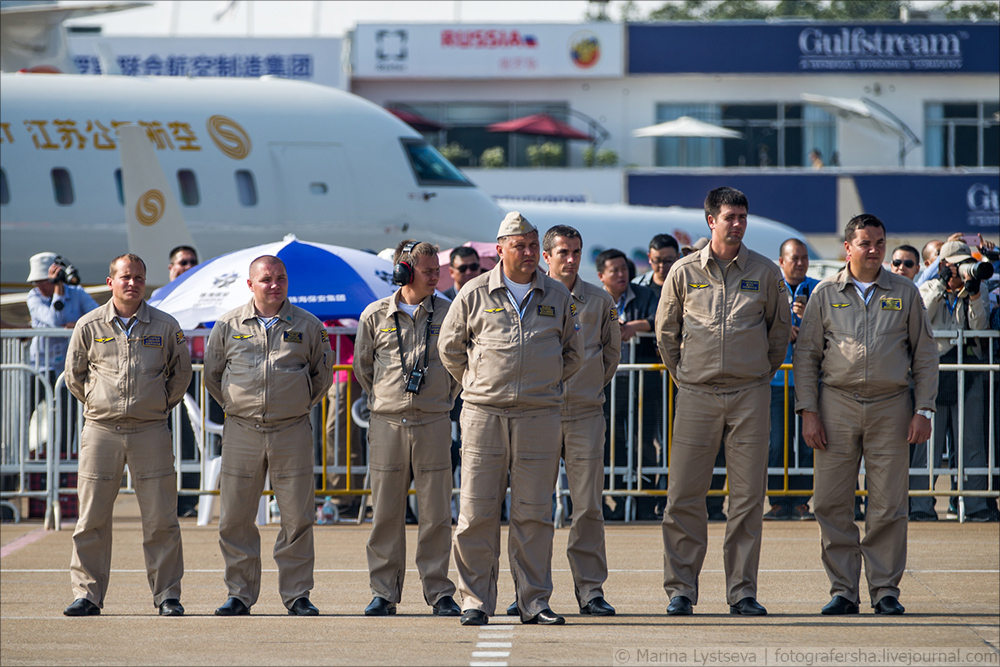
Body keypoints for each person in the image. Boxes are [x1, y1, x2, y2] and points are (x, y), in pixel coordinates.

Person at [438, 211, 582, 626]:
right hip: (484, 414)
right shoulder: (474, 292)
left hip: (539, 416)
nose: (529, 252)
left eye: (534, 245)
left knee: (534, 512)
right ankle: (474, 601)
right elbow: (450, 348)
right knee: (477, 512)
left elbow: (571, 353)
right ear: (499, 249)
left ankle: (533, 601)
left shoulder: (556, 294)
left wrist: (544, 384)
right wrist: (478, 381)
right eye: (520, 245)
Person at [655, 186, 790, 617]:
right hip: (697, 394)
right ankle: (681, 590)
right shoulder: (683, 271)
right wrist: (688, 376)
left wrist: (755, 375)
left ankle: (742, 591)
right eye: (730, 217)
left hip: (750, 395)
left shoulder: (766, 272)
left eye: (743, 216)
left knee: (749, 498)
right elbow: (666, 334)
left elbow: (778, 334)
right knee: (684, 497)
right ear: (711, 220)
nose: (738, 224)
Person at [795, 214, 938, 616]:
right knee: (829, 501)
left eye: (879, 242)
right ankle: (843, 589)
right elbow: (806, 357)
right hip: (835, 404)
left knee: (889, 504)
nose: (873, 249)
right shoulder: (825, 293)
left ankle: (884, 590)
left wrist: (923, 409)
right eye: (865, 242)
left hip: (892, 406)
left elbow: (925, 355)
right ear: (848, 248)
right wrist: (808, 411)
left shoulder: (906, 292)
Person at [62, 253, 192, 616]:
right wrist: (99, 402)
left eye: (138, 277)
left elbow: (181, 374)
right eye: (124, 277)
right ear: (110, 282)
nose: (131, 283)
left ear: (145, 282)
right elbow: (74, 375)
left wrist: (157, 405)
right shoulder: (89, 326)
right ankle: (87, 594)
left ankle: (167, 595)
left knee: (160, 518)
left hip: (150, 431)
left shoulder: (166, 326)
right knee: (91, 519)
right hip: (101, 431)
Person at [502, 225, 621, 617]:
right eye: (563, 252)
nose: (571, 259)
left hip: (585, 413)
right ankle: (527, 592)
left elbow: (609, 356)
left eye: (576, 252)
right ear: (547, 257)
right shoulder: (532, 294)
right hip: (539, 413)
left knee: (587, 507)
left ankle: (591, 590)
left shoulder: (600, 300)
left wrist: (585, 389)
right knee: (532, 508)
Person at [205, 255, 333, 616]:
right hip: (242, 431)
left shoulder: (308, 326)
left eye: (281, 278)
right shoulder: (228, 325)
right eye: (266, 280)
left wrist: (293, 404)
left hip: (290, 431)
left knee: (297, 517)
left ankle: (297, 595)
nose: (274, 285)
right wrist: (237, 406)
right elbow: (213, 375)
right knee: (235, 518)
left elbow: (320, 375)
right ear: (251, 285)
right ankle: (239, 594)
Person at [353, 239, 462, 617]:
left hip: (433, 422)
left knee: (435, 513)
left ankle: (439, 591)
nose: (437, 277)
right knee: (385, 513)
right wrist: (391, 400)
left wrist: (438, 400)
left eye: (438, 270)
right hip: (387, 424)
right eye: (429, 271)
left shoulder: (450, 313)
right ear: (405, 270)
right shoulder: (375, 315)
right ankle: (384, 592)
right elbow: (364, 370)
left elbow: (459, 365)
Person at [910, 240, 996, 522]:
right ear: (944, 265)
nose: (962, 269)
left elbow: (979, 328)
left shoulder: (977, 288)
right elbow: (922, 317)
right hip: (933, 374)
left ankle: (975, 506)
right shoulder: (925, 287)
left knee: (971, 441)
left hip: (967, 370)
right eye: (956, 264)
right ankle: (921, 506)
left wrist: (971, 297)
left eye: (965, 263)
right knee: (928, 444)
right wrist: (940, 285)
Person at [596, 249, 659, 521]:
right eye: (614, 270)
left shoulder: (645, 295)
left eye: (624, 268)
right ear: (601, 276)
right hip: (608, 382)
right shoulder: (595, 298)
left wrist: (637, 326)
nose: (622, 274)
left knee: (645, 440)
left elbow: (663, 320)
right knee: (613, 441)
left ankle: (646, 502)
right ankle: (618, 499)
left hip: (644, 379)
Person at [763, 239, 820, 522]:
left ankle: (801, 501)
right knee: (776, 444)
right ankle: (776, 501)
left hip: (808, 381)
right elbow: (755, 323)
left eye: (804, 258)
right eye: (794, 258)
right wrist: (781, 329)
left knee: (806, 442)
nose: (800, 263)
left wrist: (806, 319)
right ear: (781, 261)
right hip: (775, 382)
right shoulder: (770, 287)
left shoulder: (820, 288)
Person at [25, 251, 99, 457]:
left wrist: (78, 324)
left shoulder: (77, 293)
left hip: (69, 368)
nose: (39, 286)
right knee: (24, 414)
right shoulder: (34, 297)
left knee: (67, 418)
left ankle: (63, 463)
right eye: (36, 281)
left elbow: (99, 316)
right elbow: (54, 320)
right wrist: (58, 289)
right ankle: (19, 459)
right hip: (39, 366)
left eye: (44, 281)